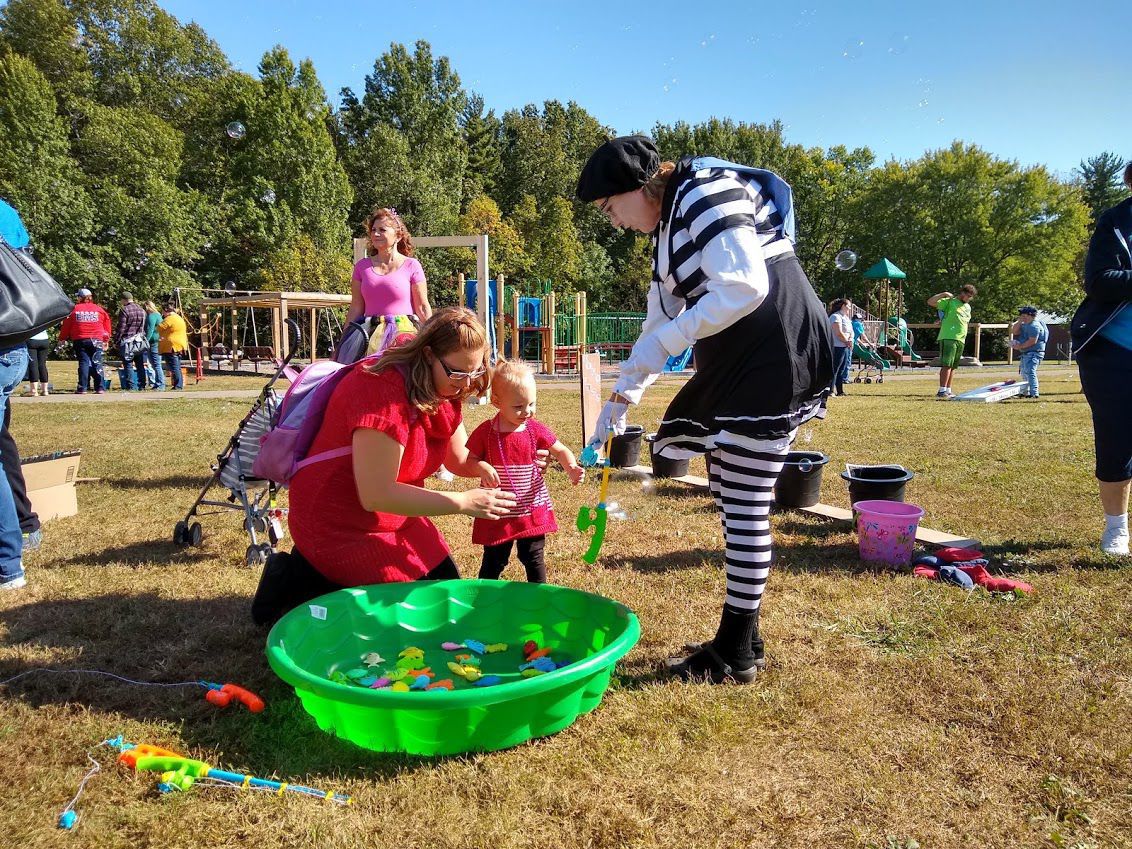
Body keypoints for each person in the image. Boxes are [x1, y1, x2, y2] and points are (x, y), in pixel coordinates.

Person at [577, 136, 833, 684]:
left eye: (608, 208)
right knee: (734, 489)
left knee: (744, 502)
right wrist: (619, 402)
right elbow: (654, 328)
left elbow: (743, 286)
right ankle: (745, 636)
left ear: (635, 188)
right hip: (742, 352)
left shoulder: (705, 192)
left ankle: (735, 650)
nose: (613, 221)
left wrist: (670, 341)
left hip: (773, 346)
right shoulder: (667, 232)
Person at [252, 308, 519, 626]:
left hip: (392, 517)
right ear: (428, 354)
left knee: (443, 591)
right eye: (458, 373)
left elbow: (457, 457)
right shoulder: (382, 391)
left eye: (474, 374)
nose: (466, 385)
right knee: (410, 618)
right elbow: (376, 494)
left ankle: (310, 576)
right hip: (336, 522)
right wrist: (462, 502)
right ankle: (295, 580)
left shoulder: (444, 382)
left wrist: (496, 462)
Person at [465, 359, 584, 583]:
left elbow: (559, 450)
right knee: (494, 560)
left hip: (531, 507)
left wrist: (571, 467)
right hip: (499, 511)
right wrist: (481, 466)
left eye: (531, 404)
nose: (527, 411)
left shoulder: (534, 429)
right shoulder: (486, 432)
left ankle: (540, 598)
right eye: (518, 406)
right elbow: (469, 460)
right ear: (496, 402)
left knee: (534, 556)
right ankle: (484, 599)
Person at [1070, 161, 1132, 556]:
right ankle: (1117, 528)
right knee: (1116, 441)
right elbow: (1098, 280)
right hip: (1114, 351)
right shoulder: (1115, 221)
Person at [334, 207, 433, 365]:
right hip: (367, 333)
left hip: (404, 334)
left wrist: (434, 336)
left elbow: (422, 307)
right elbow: (356, 307)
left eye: (382, 230)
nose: (376, 234)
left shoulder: (412, 266)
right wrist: (345, 339)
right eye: (373, 230)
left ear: (398, 236)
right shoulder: (361, 267)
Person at [926, 284, 977, 398]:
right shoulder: (950, 302)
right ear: (962, 293)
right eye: (968, 296)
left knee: (953, 366)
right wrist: (944, 294)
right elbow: (930, 302)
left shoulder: (967, 307)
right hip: (949, 336)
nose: (969, 299)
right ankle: (941, 390)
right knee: (947, 364)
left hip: (960, 339)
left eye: (971, 297)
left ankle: (948, 389)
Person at [58, 289, 111, 394]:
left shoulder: (74, 310)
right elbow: (107, 324)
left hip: (80, 339)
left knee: (84, 362)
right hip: (97, 339)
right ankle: (100, 388)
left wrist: (62, 339)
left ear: (80, 298)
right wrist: (106, 340)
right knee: (97, 363)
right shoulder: (99, 309)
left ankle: (82, 388)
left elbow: (66, 326)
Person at [113, 292, 149, 391]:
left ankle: (131, 386)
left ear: (124, 299)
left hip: (128, 341)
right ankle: (142, 385)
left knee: (128, 363)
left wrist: (116, 340)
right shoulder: (142, 310)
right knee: (140, 364)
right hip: (139, 341)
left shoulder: (125, 310)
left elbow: (121, 328)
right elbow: (144, 326)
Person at [1010, 306, 1047, 398]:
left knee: (1030, 372)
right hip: (1026, 353)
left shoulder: (1034, 326)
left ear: (1031, 316)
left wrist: (1020, 346)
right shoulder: (1025, 324)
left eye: (1025, 315)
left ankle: (1034, 393)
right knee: (1024, 372)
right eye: (1021, 315)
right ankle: (1025, 392)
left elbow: (1032, 341)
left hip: (1034, 353)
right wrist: (1019, 322)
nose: (1023, 317)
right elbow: (1014, 331)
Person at [157, 303, 188, 390]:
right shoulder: (179, 318)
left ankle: (178, 385)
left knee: (174, 367)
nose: (162, 314)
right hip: (179, 345)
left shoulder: (169, 319)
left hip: (171, 346)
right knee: (177, 366)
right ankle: (178, 384)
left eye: (162, 312)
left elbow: (159, 327)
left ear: (166, 311)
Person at [828, 298, 854, 396]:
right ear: (843, 306)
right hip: (837, 346)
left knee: (842, 369)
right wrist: (846, 341)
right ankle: (830, 390)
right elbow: (838, 332)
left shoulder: (846, 318)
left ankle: (840, 391)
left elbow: (851, 332)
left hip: (845, 347)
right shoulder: (835, 317)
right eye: (848, 306)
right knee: (835, 368)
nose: (850, 308)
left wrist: (850, 340)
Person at [142, 300, 165, 391]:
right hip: (158, 341)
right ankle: (157, 383)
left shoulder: (151, 316)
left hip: (154, 342)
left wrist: (145, 341)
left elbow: (150, 330)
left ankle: (160, 384)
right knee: (154, 364)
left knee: (156, 364)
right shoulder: (158, 315)